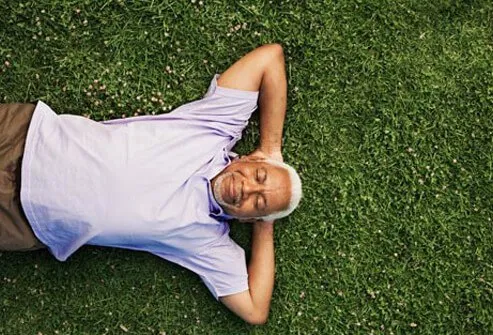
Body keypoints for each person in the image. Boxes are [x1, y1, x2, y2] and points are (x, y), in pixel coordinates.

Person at [0, 44, 302, 325]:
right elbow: (270, 58)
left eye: (258, 203)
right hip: (23, 135)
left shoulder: (206, 242)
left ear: (249, 218)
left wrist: (265, 224)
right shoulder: (215, 126)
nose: (248, 189)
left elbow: (254, 309)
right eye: (259, 176)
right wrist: (271, 149)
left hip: (22, 219)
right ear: (249, 160)